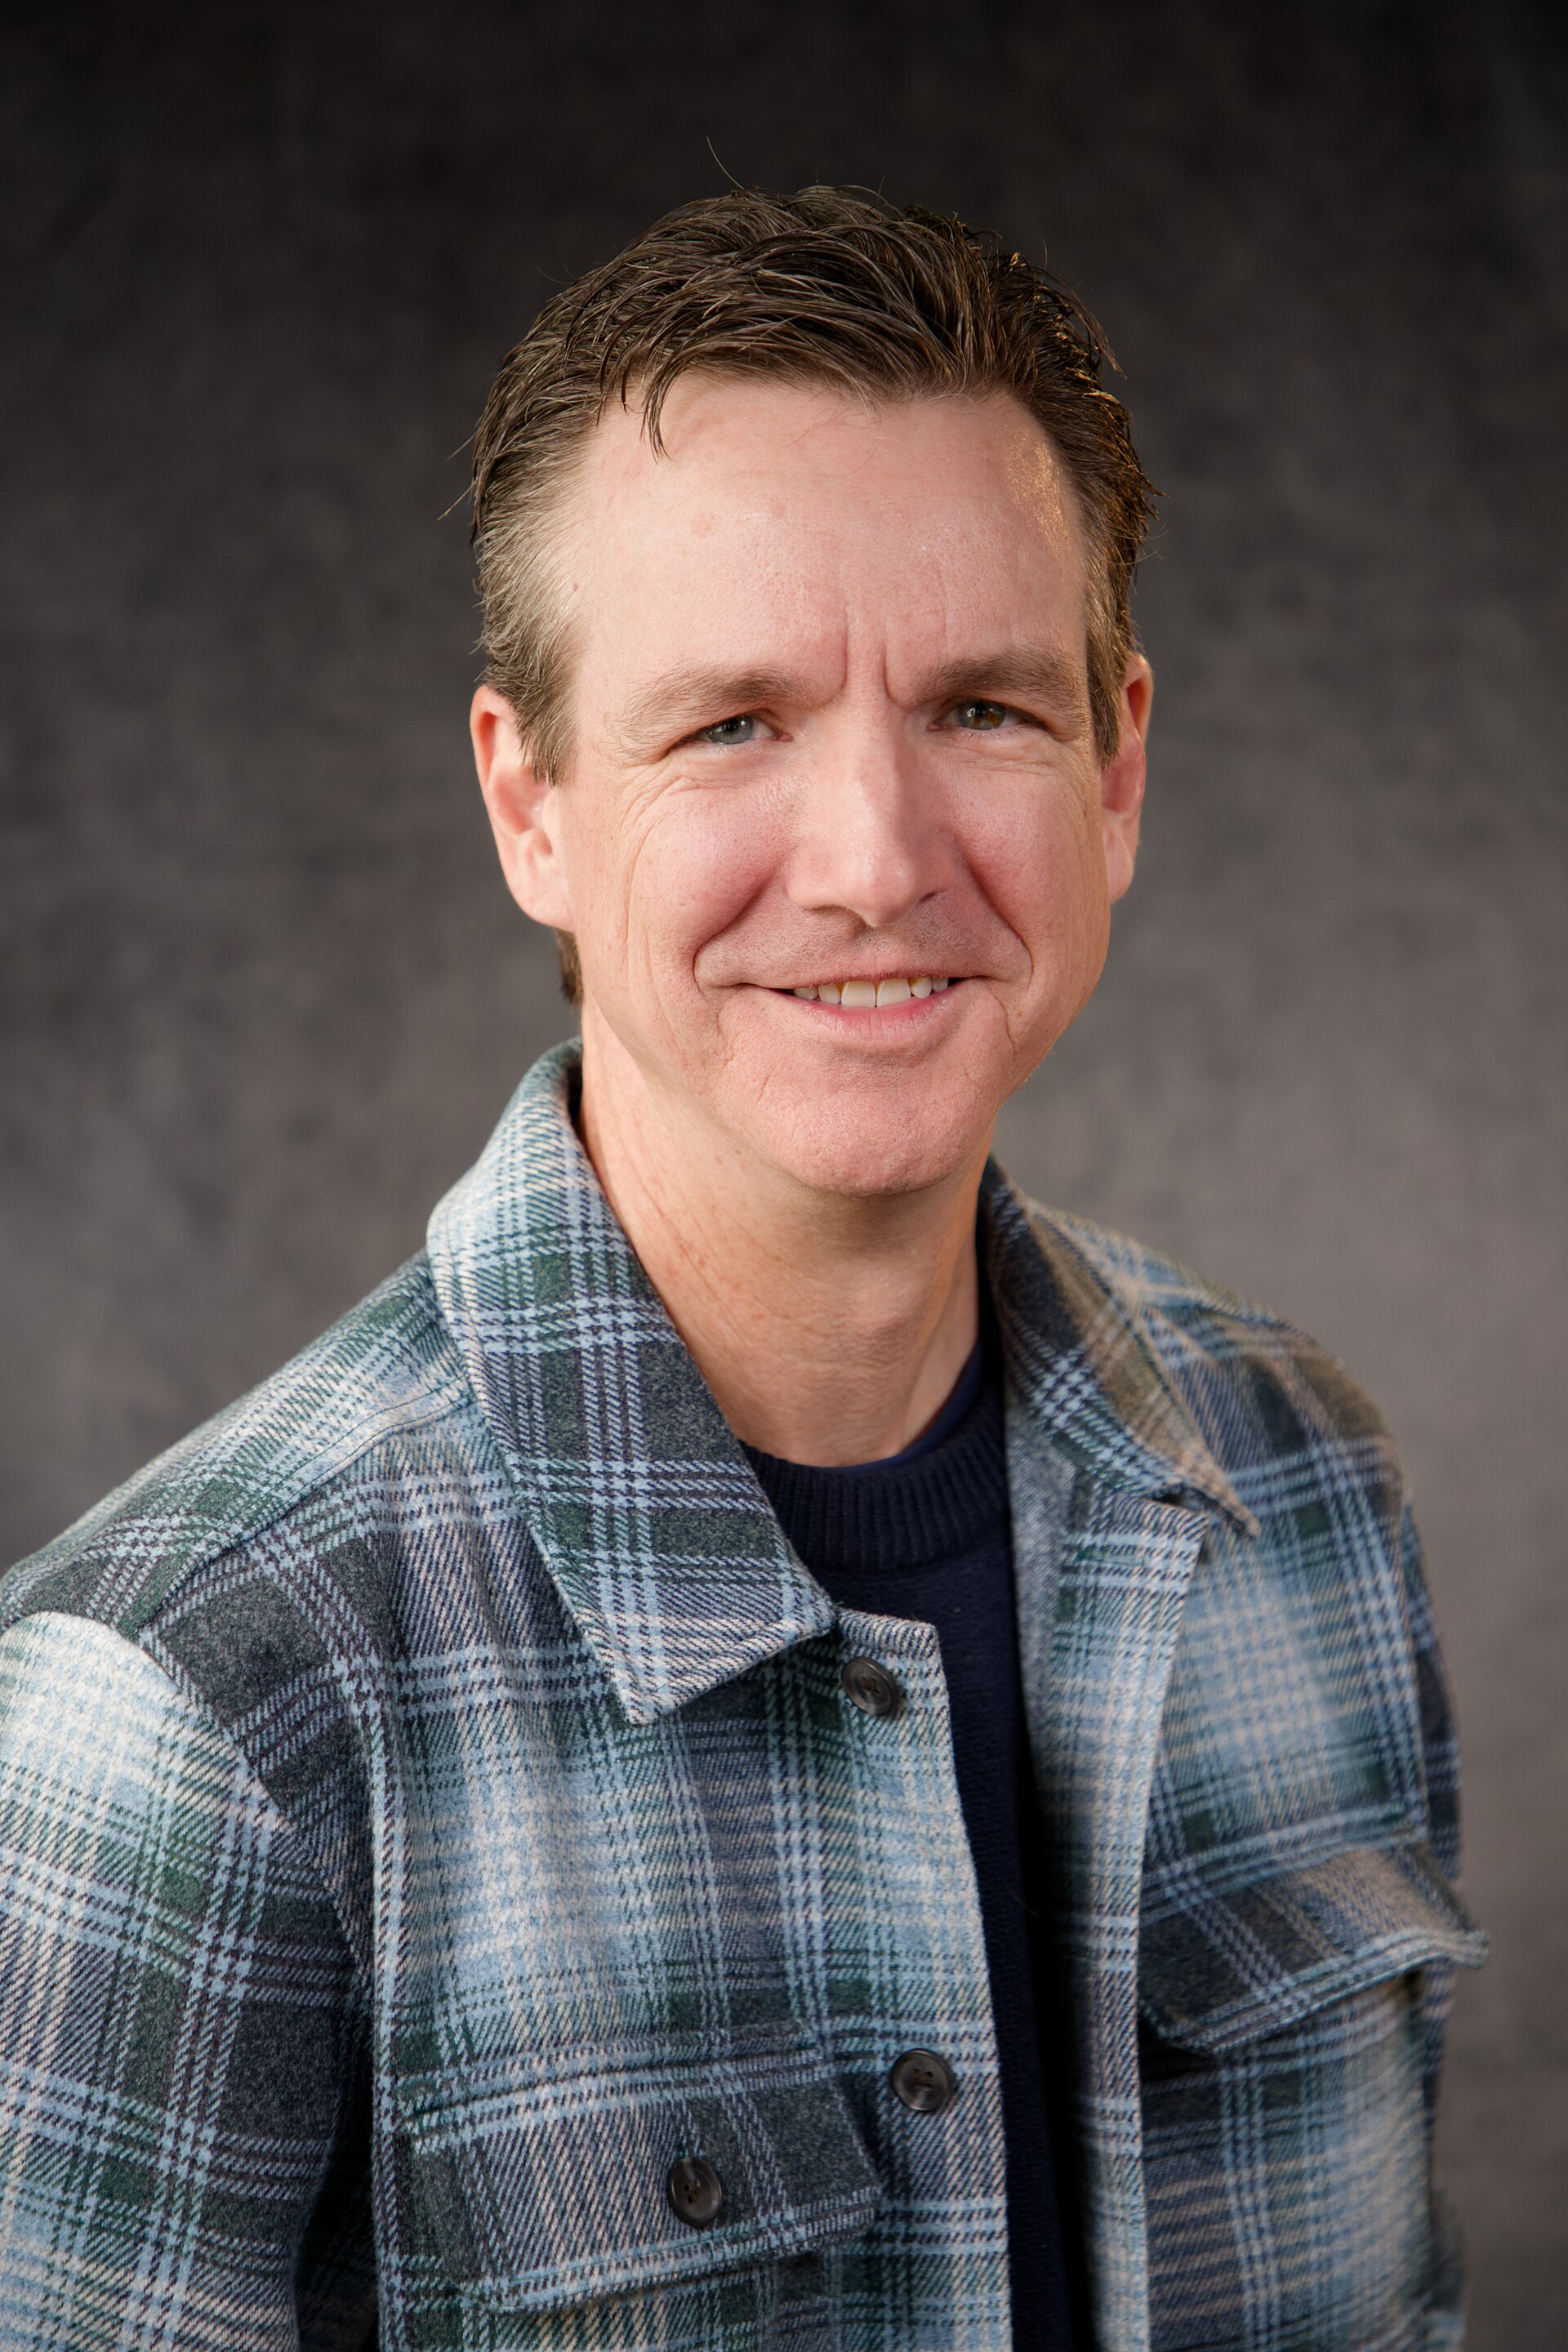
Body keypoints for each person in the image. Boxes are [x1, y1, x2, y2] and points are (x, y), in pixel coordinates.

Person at [0, 187, 1483, 2352]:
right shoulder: (189, 1716)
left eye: (984, 705)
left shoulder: (1306, 1488)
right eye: (731, 725)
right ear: (532, 809)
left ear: (1121, 772)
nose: (879, 860)